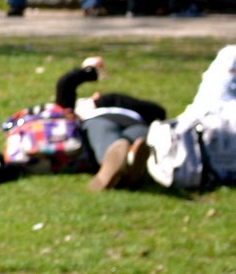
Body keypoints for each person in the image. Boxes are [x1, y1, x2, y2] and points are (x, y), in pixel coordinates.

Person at [53, 57, 166, 191]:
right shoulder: (73, 111)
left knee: (139, 141)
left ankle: (122, 168)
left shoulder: (120, 104)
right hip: (97, 120)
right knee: (111, 139)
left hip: (135, 122)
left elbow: (159, 112)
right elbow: (65, 84)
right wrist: (87, 71)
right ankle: (121, 167)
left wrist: (104, 101)